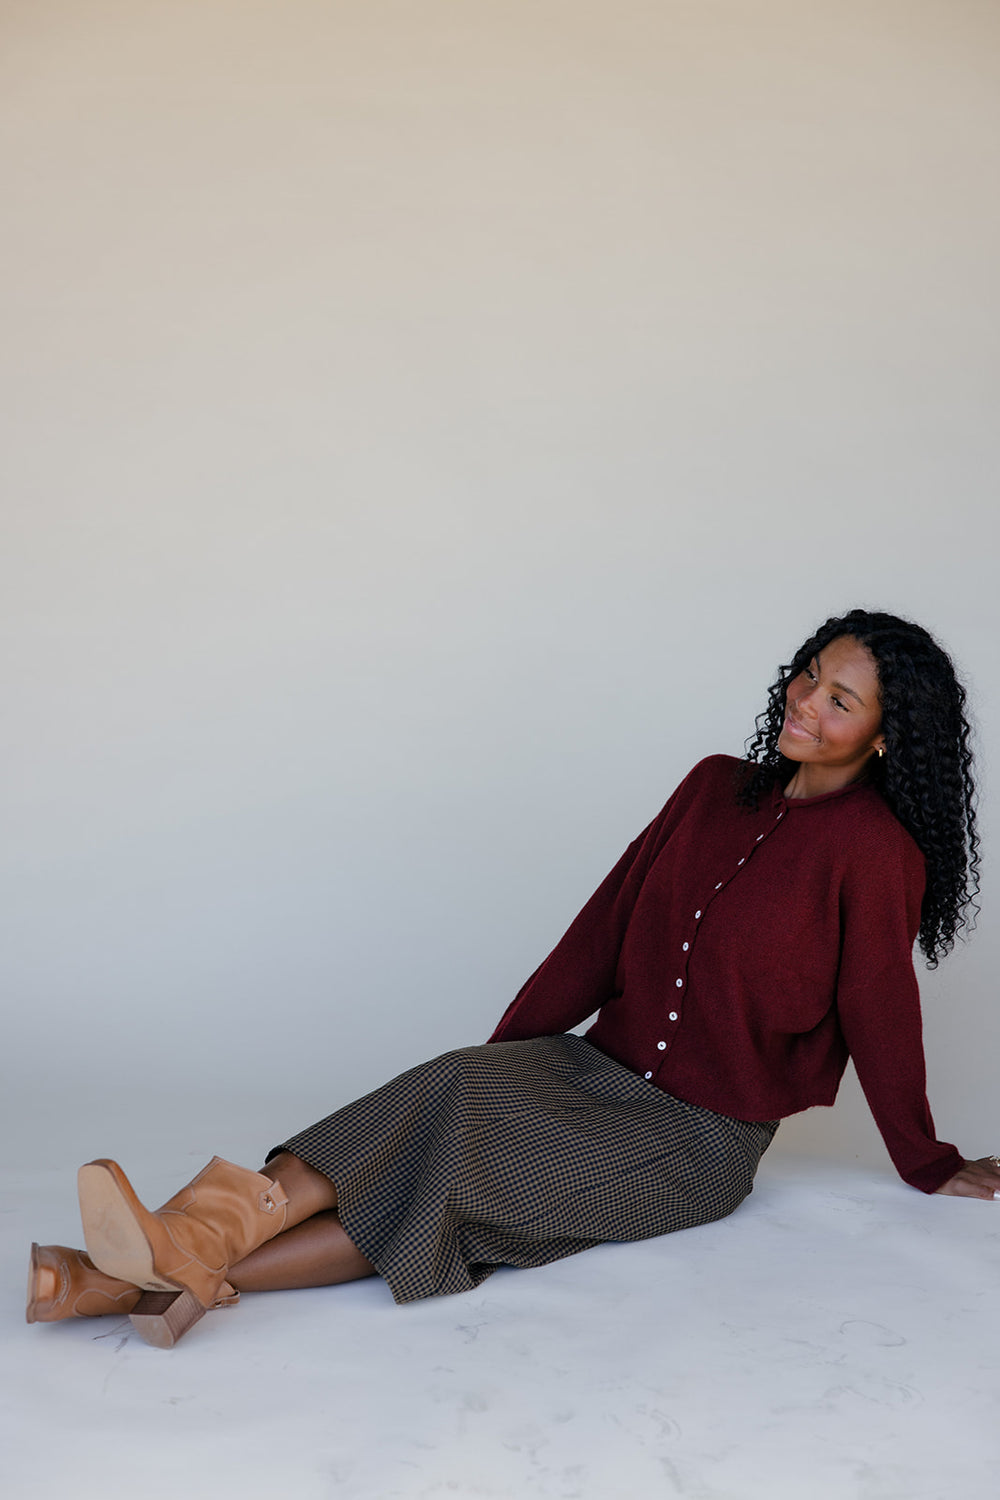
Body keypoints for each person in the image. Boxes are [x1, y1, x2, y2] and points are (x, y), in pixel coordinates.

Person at [27, 609, 1000, 1348]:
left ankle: (121, 1278)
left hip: (697, 1137)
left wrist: (925, 1158)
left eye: (840, 699)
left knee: (453, 1179)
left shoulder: (872, 853)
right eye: (807, 675)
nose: (804, 700)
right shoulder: (710, 787)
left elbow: (881, 1007)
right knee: (446, 1090)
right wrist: (502, 1074)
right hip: (591, 1069)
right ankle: (182, 1244)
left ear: (882, 736)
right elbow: (601, 928)